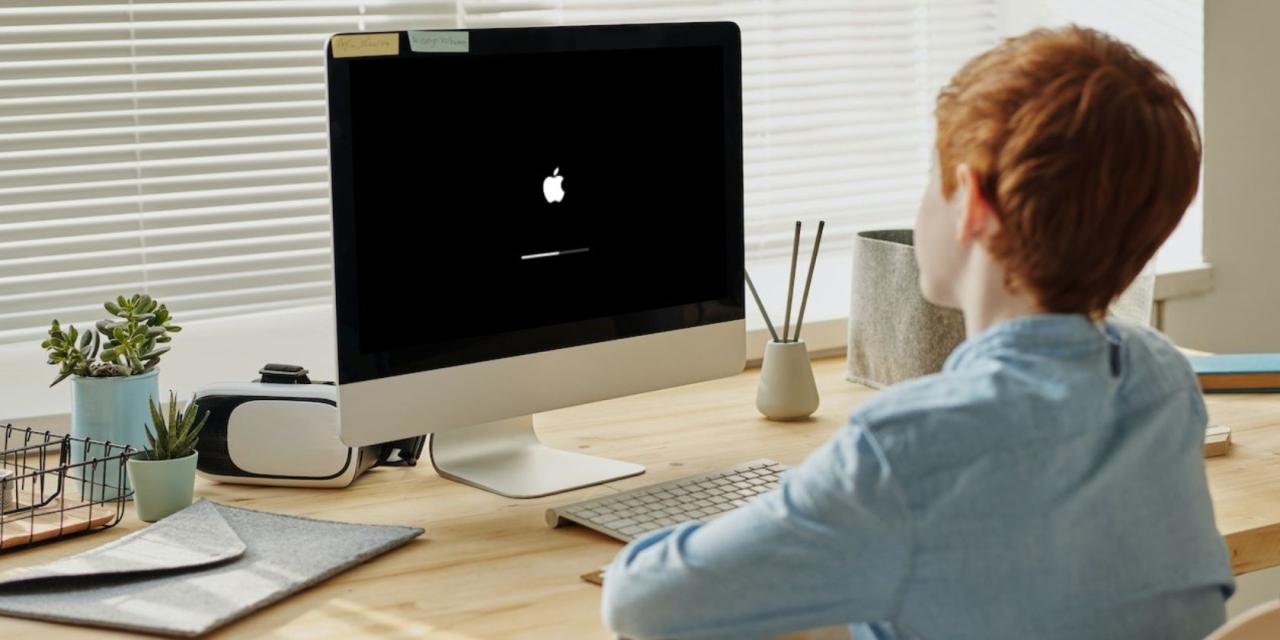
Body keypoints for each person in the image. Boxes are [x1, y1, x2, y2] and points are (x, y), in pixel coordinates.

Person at [601, 25, 1234, 640]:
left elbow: (641, 604)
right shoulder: (1160, 379)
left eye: (934, 177)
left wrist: (797, 510)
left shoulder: (905, 450)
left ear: (974, 205)